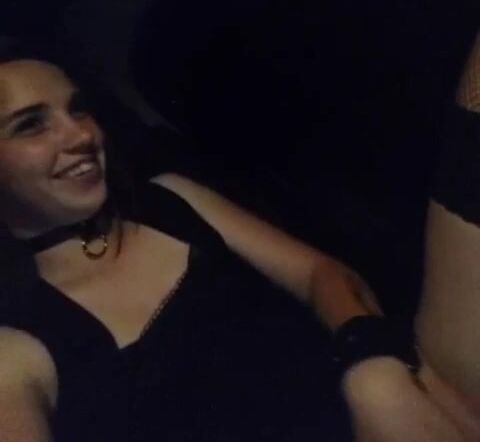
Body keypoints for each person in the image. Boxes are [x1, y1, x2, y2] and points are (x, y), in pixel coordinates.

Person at [0, 41, 388, 441]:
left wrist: (375, 369)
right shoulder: (13, 345)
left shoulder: (170, 201)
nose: (82, 134)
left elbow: (320, 275)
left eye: (78, 109)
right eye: (31, 125)